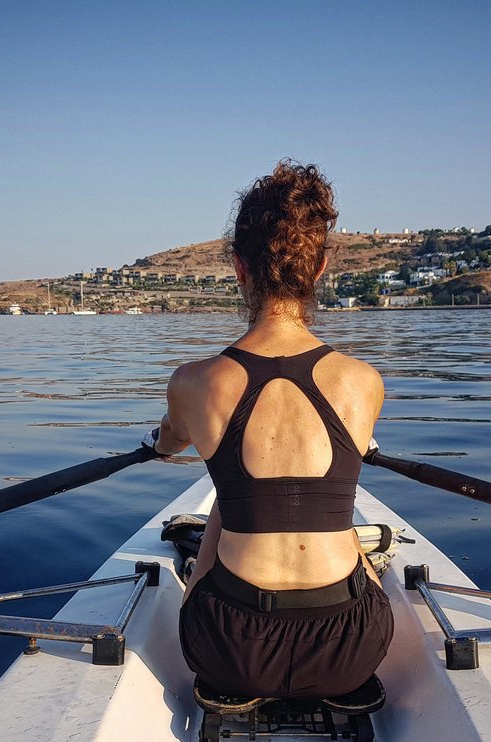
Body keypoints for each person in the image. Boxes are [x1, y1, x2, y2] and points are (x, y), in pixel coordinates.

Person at [146, 161, 393, 700]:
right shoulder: (362, 383)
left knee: (222, 506)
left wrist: (161, 443)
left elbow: (168, 443)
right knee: (341, 517)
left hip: (230, 651)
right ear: (322, 267)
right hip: (349, 651)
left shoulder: (192, 383)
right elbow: (360, 438)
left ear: (239, 268)